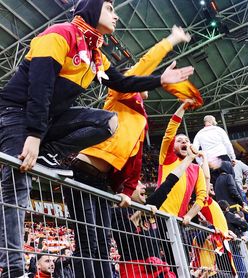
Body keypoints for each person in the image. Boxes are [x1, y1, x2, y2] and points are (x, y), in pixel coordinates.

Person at [0, 0, 194, 276]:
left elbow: (122, 82)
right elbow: (40, 87)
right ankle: (13, 270)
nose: (116, 15)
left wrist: (159, 80)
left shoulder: (95, 54)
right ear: (90, 9)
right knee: (17, 185)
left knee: (107, 122)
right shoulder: (60, 34)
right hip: (16, 112)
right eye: (110, 8)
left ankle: (49, 153)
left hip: (50, 122)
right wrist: (33, 135)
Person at [62, 25, 192, 278]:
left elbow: (134, 158)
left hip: (101, 180)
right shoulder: (121, 94)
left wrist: (127, 191)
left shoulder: (140, 116)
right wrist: (171, 41)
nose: (143, 78)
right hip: (82, 170)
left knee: (101, 243)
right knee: (89, 242)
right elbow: (144, 64)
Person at [111, 144, 199, 277]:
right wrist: (142, 212)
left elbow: (169, 182)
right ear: (126, 188)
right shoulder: (117, 212)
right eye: (138, 183)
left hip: (157, 267)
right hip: (135, 270)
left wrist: (189, 159)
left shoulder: (149, 205)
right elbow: (126, 234)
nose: (144, 186)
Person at [157, 100, 207, 224]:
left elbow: (202, 197)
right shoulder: (167, 158)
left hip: (179, 221)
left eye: (186, 140)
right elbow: (170, 132)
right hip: (161, 217)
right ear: (173, 146)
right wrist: (183, 107)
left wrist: (189, 215)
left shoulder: (196, 169)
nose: (184, 142)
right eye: (179, 140)